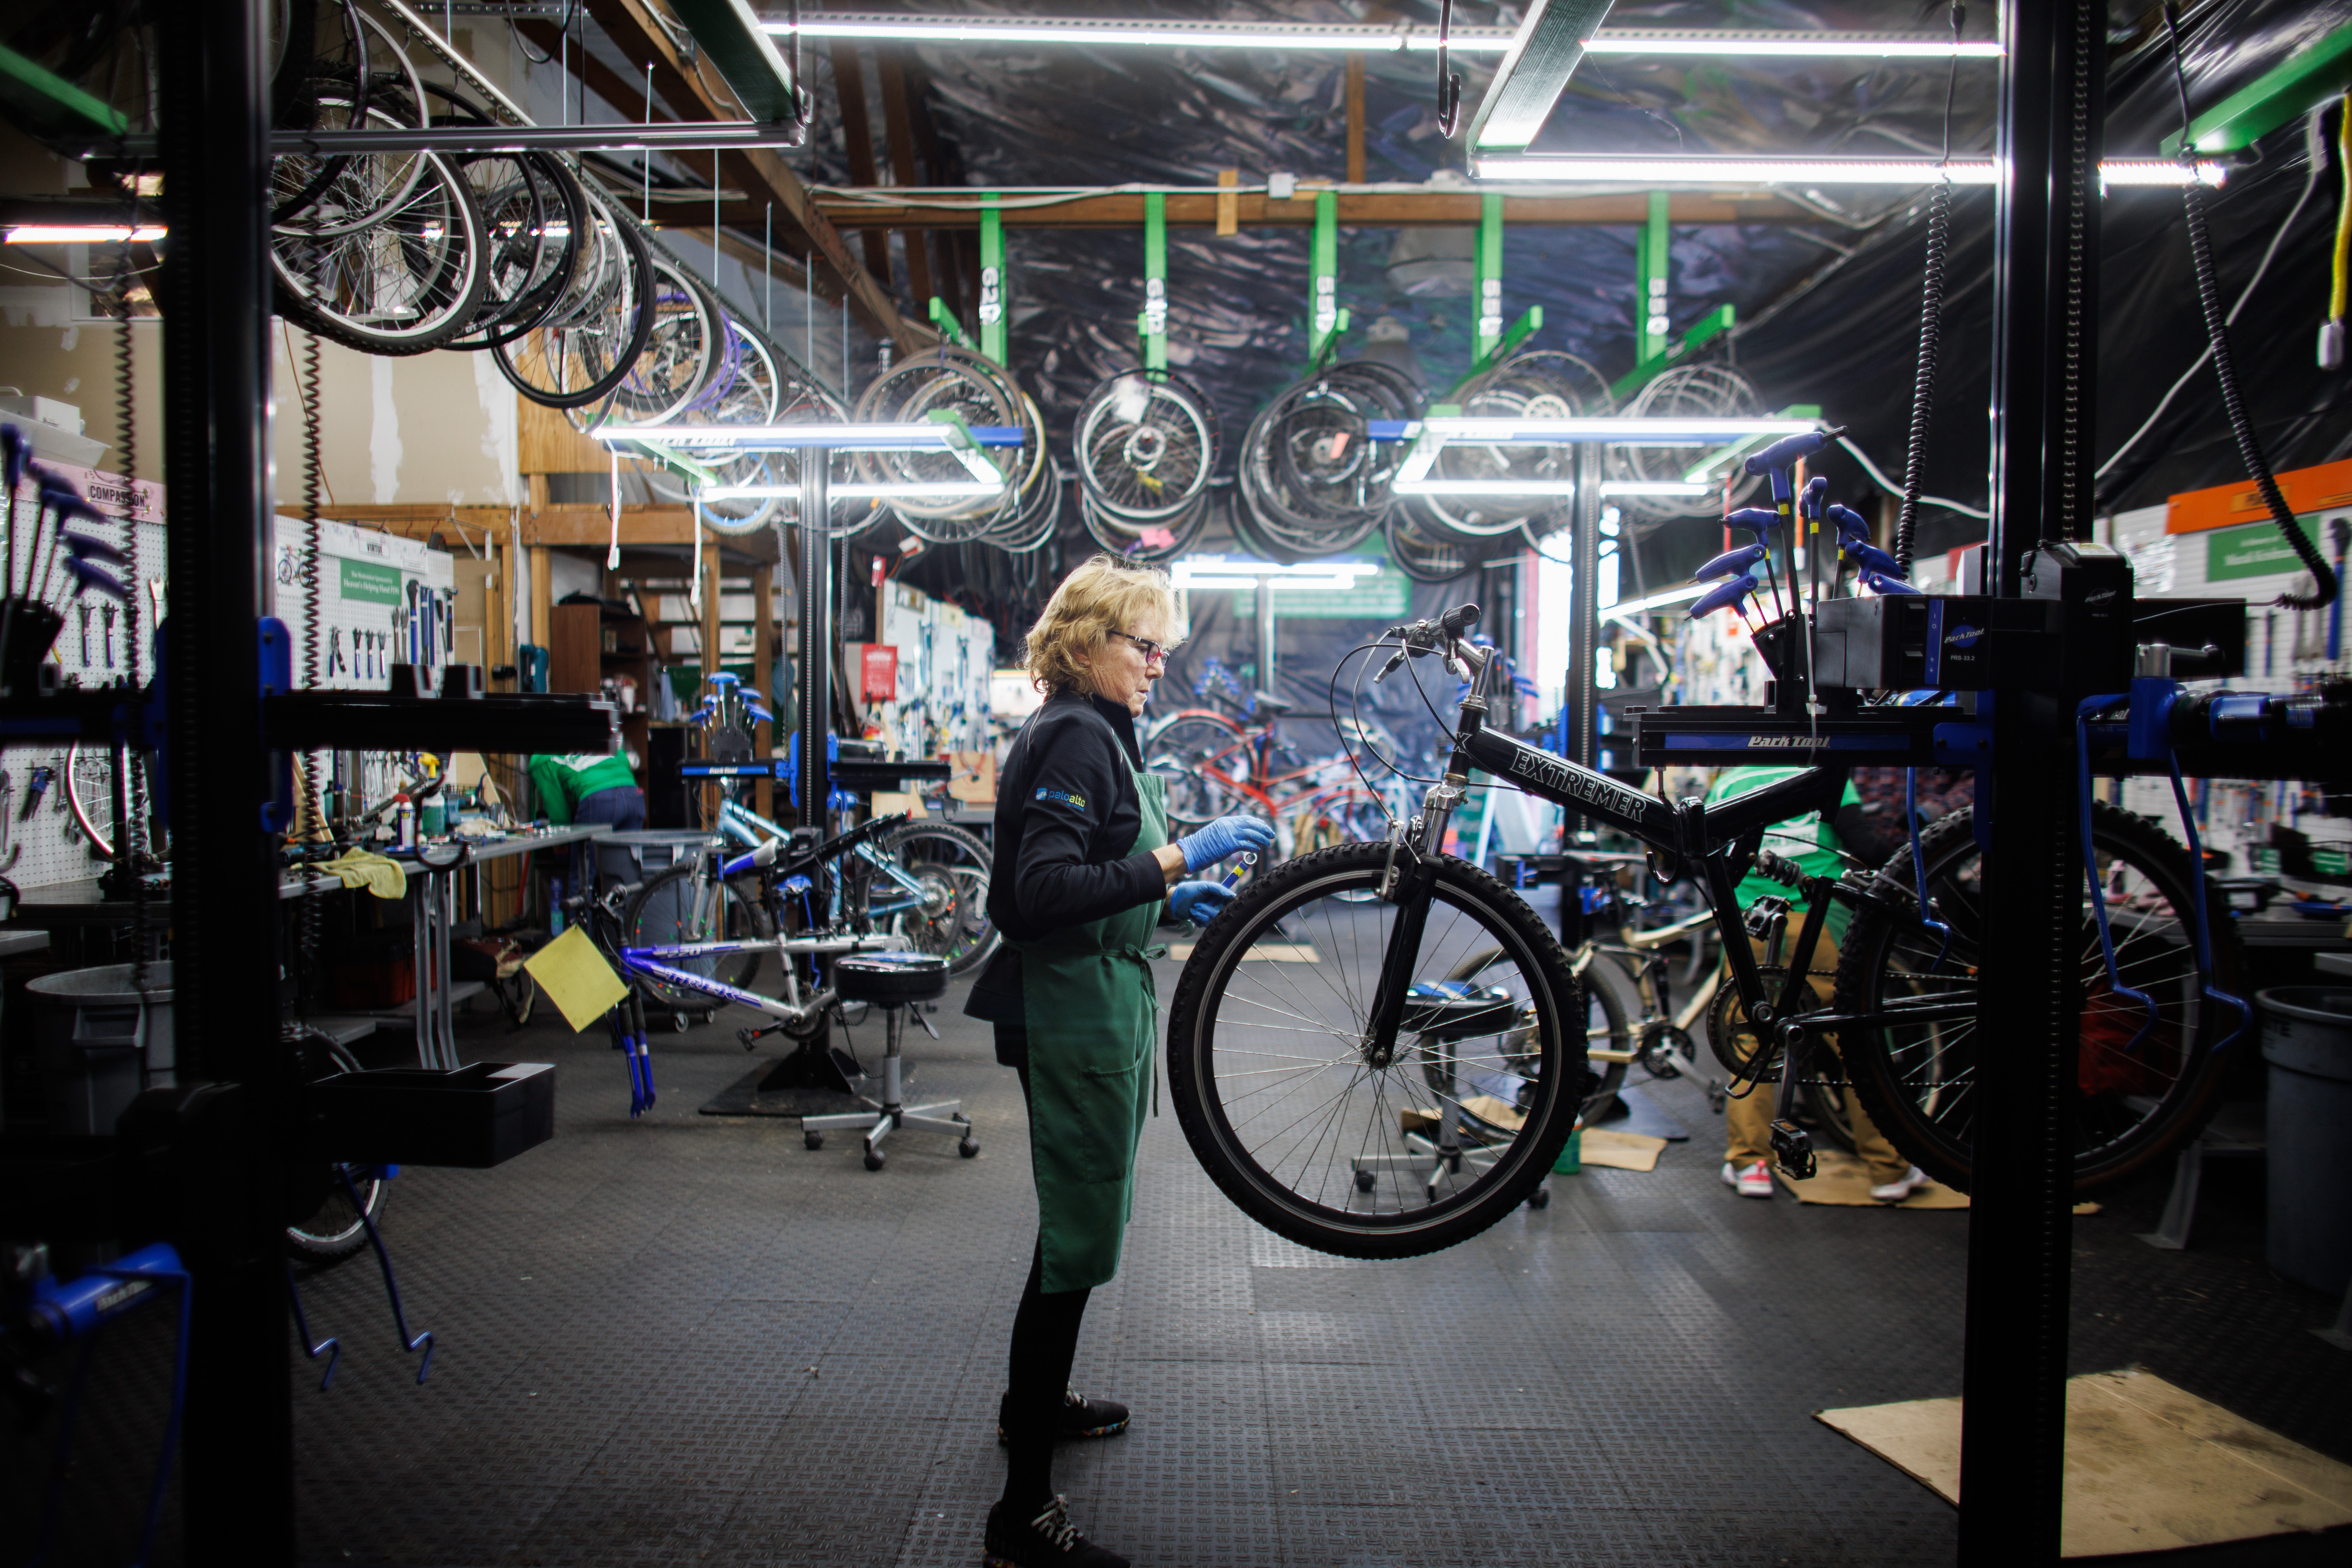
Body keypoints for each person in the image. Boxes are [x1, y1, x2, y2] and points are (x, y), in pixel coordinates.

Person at [963, 555, 1274, 1568]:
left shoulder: (1094, 729)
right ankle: (1022, 1516)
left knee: (1081, 1228)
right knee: (1075, 1241)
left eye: (1162, 649)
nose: (1157, 665)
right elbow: (1040, 893)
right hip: (1068, 1010)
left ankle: (1032, 1405)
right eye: (1145, 646)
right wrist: (1182, 857)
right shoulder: (1072, 735)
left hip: (1098, 998)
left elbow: (1093, 868)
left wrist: (1159, 898)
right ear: (1088, 642)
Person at [1704, 763, 1927, 1204]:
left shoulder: (1728, 783)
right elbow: (1865, 845)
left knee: (1751, 1041)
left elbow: (1709, 856)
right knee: (1855, 1037)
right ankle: (1888, 1169)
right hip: (1818, 918)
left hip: (1750, 922)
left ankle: (1750, 1165)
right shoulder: (1825, 774)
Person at [526, 751, 644, 887]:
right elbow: (622, 757)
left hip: (598, 798)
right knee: (626, 872)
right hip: (633, 794)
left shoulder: (542, 758)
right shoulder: (594, 740)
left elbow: (557, 809)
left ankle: (582, 901)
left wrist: (561, 845)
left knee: (583, 876)